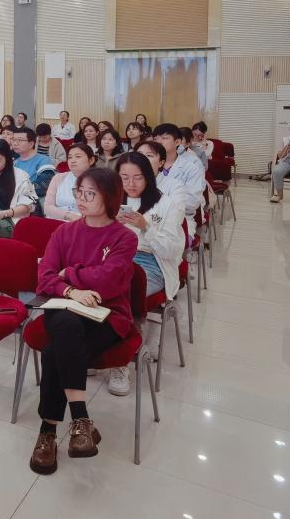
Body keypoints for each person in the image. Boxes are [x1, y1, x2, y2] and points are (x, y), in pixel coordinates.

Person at [29, 168, 138, 475]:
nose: (81, 199)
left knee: (54, 352)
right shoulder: (64, 232)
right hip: (64, 306)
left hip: (107, 315)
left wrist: (69, 274)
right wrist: (71, 291)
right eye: (79, 192)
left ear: (110, 197)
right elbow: (44, 277)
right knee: (65, 324)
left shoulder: (124, 237)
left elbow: (109, 281)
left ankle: (48, 431)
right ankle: (80, 419)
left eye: (90, 193)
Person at [107, 152, 184, 396]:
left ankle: (120, 363)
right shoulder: (110, 198)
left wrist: (145, 227)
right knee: (90, 287)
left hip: (150, 262)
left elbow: (171, 250)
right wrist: (111, 225)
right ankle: (95, 346)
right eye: (124, 177)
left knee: (123, 294)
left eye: (138, 177)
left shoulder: (167, 204)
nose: (130, 184)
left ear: (149, 177)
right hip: (114, 256)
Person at [153, 123, 206, 227]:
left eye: (164, 138)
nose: (159, 142)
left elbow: (192, 202)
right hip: (150, 214)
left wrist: (161, 202)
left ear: (177, 142)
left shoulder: (191, 167)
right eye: (156, 139)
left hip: (180, 218)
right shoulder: (148, 164)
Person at [44, 144, 96, 222]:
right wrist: (69, 216)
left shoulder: (99, 181)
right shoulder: (58, 178)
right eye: (70, 157)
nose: (73, 161)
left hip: (84, 222)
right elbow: (47, 207)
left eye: (78, 156)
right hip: (56, 220)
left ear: (91, 160)